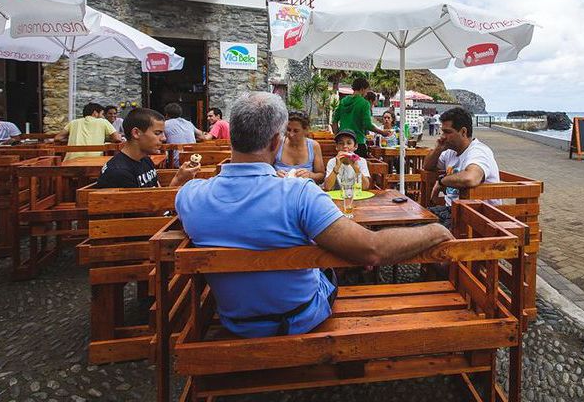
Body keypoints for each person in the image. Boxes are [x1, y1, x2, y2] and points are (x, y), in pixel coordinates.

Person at [175, 91, 452, 338]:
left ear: (231, 135)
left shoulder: (190, 196)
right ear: (275, 142)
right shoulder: (299, 194)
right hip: (299, 316)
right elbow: (372, 249)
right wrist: (436, 230)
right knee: (332, 265)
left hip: (235, 321)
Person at [422, 107, 500, 227]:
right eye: (443, 132)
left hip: (477, 218)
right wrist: (438, 148)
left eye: (447, 132)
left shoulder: (478, 151)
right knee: (412, 221)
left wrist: (442, 182)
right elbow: (427, 166)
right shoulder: (450, 151)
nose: (442, 136)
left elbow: (470, 178)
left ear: (463, 132)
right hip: (452, 211)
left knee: (417, 231)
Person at [96, 108, 199, 188]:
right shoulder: (119, 173)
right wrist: (178, 180)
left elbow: (156, 196)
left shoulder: (145, 159)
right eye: (157, 133)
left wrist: (180, 179)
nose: (164, 138)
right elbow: (150, 211)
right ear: (136, 133)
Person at [331, 78, 389, 157]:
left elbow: (334, 121)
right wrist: (382, 132)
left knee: (343, 167)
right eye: (366, 90)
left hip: (343, 143)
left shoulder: (343, 101)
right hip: (358, 142)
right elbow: (367, 125)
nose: (366, 93)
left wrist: (338, 136)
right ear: (362, 89)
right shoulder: (364, 103)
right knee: (359, 167)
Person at [53, 102, 122, 160]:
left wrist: (72, 137)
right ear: (95, 113)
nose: (103, 116)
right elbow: (117, 138)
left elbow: (57, 138)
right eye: (102, 114)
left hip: (71, 160)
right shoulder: (103, 122)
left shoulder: (73, 122)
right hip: (94, 160)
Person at [273, 111, 325, 183]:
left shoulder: (313, 146)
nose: (291, 134)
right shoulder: (278, 143)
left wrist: (310, 175)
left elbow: (321, 175)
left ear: (306, 130)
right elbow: (265, 169)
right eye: (288, 130)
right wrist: (275, 174)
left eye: (296, 131)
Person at [163, 102, 204, 167]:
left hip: (176, 162)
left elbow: (161, 138)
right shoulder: (188, 123)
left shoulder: (165, 124)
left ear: (167, 115)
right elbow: (201, 135)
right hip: (193, 160)